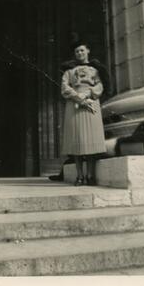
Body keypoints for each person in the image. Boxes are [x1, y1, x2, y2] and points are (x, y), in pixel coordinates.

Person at [61, 41, 107, 186]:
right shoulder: (69, 72)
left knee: (91, 141)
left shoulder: (95, 70)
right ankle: (80, 176)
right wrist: (77, 96)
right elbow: (64, 87)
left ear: (87, 51)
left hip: (91, 103)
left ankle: (90, 175)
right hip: (74, 105)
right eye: (77, 52)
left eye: (82, 50)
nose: (79, 53)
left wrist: (90, 93)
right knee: (77, 140)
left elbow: (100, 85)